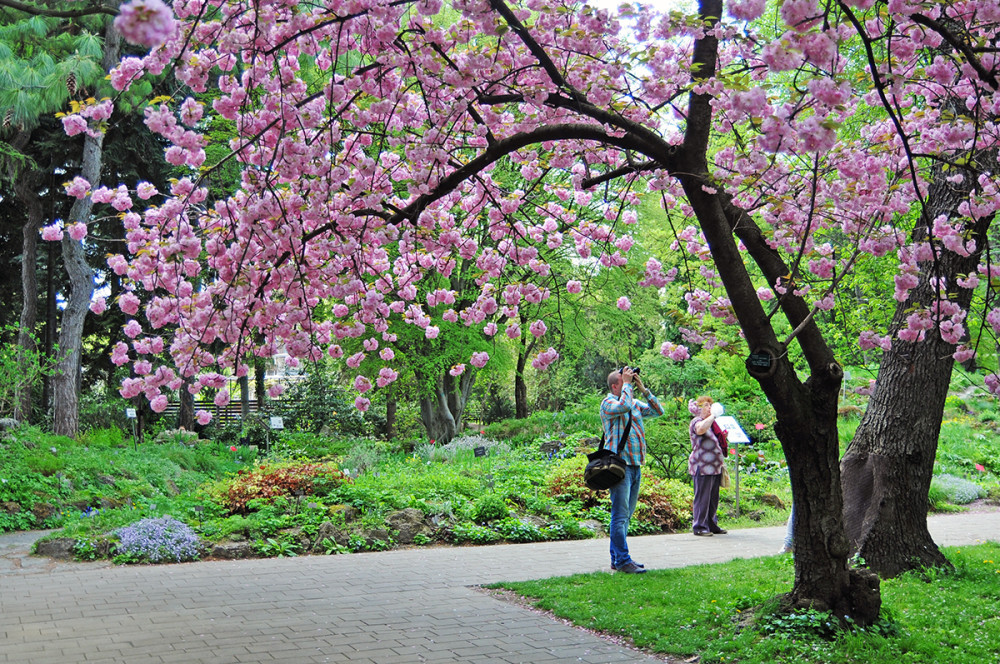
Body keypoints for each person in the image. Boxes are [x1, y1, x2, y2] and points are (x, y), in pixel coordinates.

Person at [600, 367, 663, 574]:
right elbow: (624, 405)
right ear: (614, 386)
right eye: (623, 380)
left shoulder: (635, 402)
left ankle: (616, 558)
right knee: (620, 515)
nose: (628, 382)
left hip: (636, 465)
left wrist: (643, 389)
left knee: (626, 516)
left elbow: (658, 411)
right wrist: (627, 383)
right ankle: (624, 561)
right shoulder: (608, 403)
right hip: (620, 467)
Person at [688, 395, 728, 536]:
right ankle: (699, 527)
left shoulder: (712, 424)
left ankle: (711, 524)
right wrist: (713, 416)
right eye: (706, 405)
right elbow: (700, 430)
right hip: (702, 466)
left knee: (712, 498)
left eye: (710, 405)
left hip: (714, 466)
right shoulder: (697, 421)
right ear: (698, 408)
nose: (709, 408)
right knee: (702, 497)